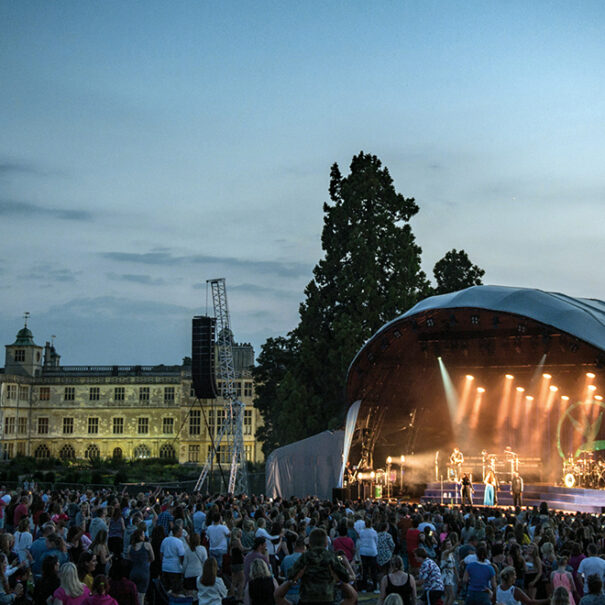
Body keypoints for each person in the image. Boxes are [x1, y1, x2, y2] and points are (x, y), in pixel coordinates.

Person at [290, 528, 353, 605]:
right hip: (327, 597)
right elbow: (345, 576)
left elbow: (291, 574)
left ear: (310, 543)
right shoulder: (331, 556)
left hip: (307, 598)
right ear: (326, 543)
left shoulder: (305, 557)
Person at [128, 528, 154, 605]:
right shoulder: (147, 545)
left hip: (133, 572)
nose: (144, 536)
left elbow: (129, 559)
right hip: (144, 572)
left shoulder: (130, 547)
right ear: (140, 536)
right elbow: (152, 558)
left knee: (133, 595)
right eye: (143, 535)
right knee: (141, 596)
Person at [159, 524, 185, 592]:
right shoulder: (179, 542)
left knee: (166, 588)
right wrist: (183, 566)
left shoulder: (165, 540)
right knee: (176, 589)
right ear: (178, 532)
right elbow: (182, 555)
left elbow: (161, 553)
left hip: (165, 567)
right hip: (175, 568)